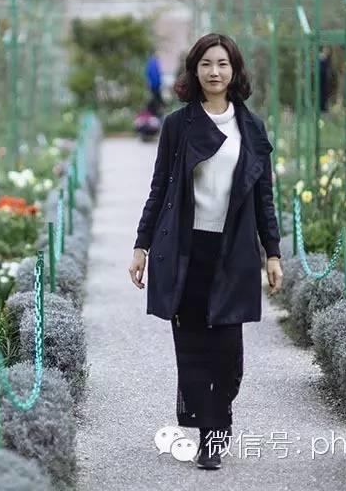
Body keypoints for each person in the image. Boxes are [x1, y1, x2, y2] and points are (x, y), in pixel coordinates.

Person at [127, 33, 283, 470]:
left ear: (235, 71)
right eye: (206, 64)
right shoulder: (179, 125)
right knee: (192, 345)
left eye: (223, 64)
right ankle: (209, 435)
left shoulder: (250, 127)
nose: (215, 72)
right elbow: (160, 190)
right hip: (186, 248)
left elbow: (263, 197)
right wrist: (141, 245)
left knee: (229, 351)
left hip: (234, 250)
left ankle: (221, 413)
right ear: (194, 71)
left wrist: (273, 252)